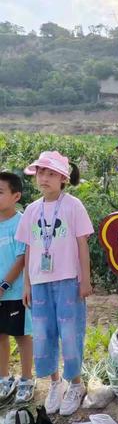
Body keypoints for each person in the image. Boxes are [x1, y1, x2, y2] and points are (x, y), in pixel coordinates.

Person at [16, 151, 94, 416]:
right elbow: (28, 250)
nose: (44, 178)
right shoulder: (31, 210)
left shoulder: (73, 206)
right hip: (39, 283)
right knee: (43, 335)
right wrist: (26, 284)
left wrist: (85, 279)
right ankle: (55, 383)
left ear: (63, 178)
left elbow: (82, 244)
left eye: (50, 174)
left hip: (68, 281)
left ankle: (75, 385)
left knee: (70, 335)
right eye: (41, 173)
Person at [0, 172, 34, 404]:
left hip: (15, 291)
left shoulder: (21, 222)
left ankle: (26, 379)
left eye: (0, 192)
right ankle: (4, 378)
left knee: (22, 335)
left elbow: (22, 258)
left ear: (16, 196)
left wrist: (4, 284)